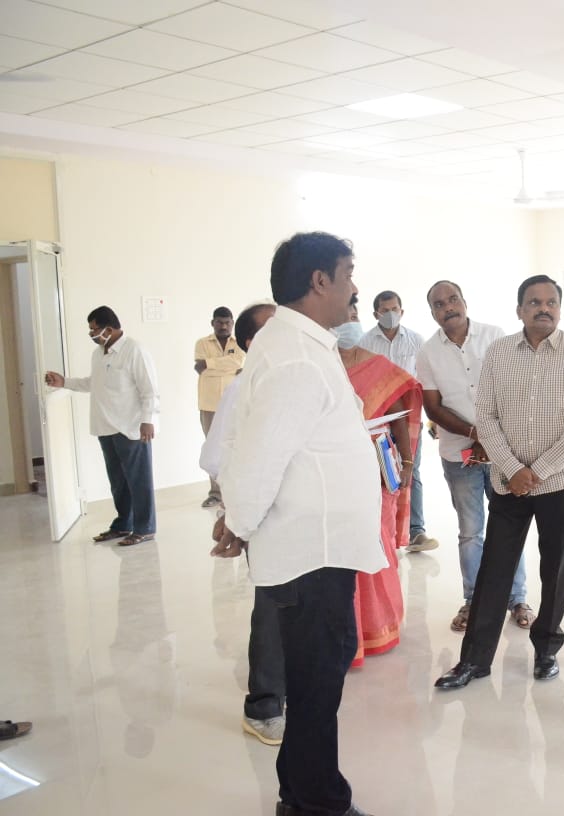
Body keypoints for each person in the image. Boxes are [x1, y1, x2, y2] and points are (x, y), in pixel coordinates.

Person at [215, 231, 384, 816]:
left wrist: (237, 516)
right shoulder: (293, 355)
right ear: (320, 281)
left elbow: (255, 440)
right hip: (311, 552)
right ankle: (319, 803)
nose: (355, 287)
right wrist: (238, 518)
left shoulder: (298, 344)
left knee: (317, 678)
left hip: (317, 546)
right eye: (348, 274)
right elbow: (261, 452)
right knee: (316, 686)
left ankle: (299, 792)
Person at [435, 274, 564, 690]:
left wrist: (538, 470)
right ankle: (474, 661)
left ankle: (546, 651)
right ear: (519, 310)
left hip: (562, 482)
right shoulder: (499, 352)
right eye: (533, 302)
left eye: (550, 302)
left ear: (560, 308)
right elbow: (485, 418)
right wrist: (514, 469)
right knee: (495, 569)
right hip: (509, 483)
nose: (542, 308)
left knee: (556, 569)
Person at [416, 280, 533, 634]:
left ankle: (517, 599)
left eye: (453, 299)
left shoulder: (496, 337)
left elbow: (513, 389)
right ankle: (473, 600)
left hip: (503, 455)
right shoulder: (427, 353)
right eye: (440, 303)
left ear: (464, 302)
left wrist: (492, 438)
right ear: (433, 312)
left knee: (509, 526)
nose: (448, 306)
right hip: (458, 455)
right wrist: (475, 434)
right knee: (471, 532)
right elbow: (432, 406)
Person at [201, 301, 284, 746]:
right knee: (272, 607)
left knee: (298, 607)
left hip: (301, 517)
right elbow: (217, 458)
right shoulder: (242, 388)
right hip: (265, 517)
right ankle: (264, 706)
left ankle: (290, 691)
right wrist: (233, 520)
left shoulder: (291, 378)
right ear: (252, 342)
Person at [335, 301, 421, 666]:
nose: (349, 323)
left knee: (379, 543)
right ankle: (347, 634)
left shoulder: (381, 368)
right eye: (344, 318)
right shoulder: (321, 368)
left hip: (377, 467)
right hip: (335, 471)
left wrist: (406, 462)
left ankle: (380, 625)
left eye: (353, 316)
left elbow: (398, 418)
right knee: (344, 551)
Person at [45, 305, 159, 548]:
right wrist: (64, 382)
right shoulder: (99, 353)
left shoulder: (134, 350)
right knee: (118, 481)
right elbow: (92, 383)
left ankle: (145, 528)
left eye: (94, 330)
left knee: (139, 481)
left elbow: (149, 389)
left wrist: (148, 420)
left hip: (131, 428)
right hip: (105, 427)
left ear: (109, 328)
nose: (92, 334)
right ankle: (122, 524)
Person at [358, 289, 438, 553]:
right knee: (377, 472)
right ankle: (380, 531)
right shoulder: (365, 342)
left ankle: (416, 531)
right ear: (376, 314)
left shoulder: (416, 341)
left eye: (395, 309)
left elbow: (426, 381)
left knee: (410, 469)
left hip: (409, 417)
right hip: (377, 418)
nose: (391, 314)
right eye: (385, 310)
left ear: (402, 311)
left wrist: (432, 419)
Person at [194, 305, 244, 508]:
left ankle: (234, 489)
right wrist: (229, 366)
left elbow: (238, 361)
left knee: (236, 444)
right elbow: (200, 368)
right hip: (209, 404)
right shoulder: (202, 343)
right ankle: (215, 493)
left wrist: (211, 364)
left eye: (227, 323)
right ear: (212, 323)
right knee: (212, 447)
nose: (223, 326)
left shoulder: (239, 342)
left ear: (232, 324)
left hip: (234, 403)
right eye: (219, 322)